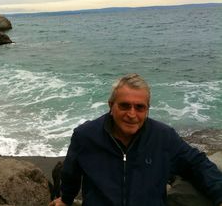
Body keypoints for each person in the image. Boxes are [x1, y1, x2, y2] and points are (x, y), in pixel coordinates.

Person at [49, 73, 222, 206]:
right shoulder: (86, 136)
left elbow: (196, 163)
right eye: (124, 105)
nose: (132, 114)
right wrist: (65, 199)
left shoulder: (163, 137)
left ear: (147, 109)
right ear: (111, 105)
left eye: (140, 107)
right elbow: (70, 173)